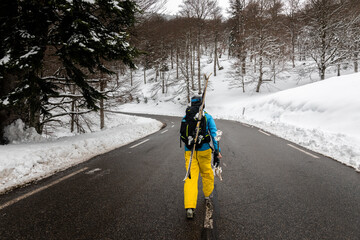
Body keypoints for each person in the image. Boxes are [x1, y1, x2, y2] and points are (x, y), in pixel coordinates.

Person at [181, 96, 222, 219]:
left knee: (190, 178)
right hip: (204, 150)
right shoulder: (207, 117)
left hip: (190, 151)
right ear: (202, 105)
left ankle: (189, 207)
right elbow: (214, 135)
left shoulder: (186, 117)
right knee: (207, 173)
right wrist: (217, 151)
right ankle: (207, 195)